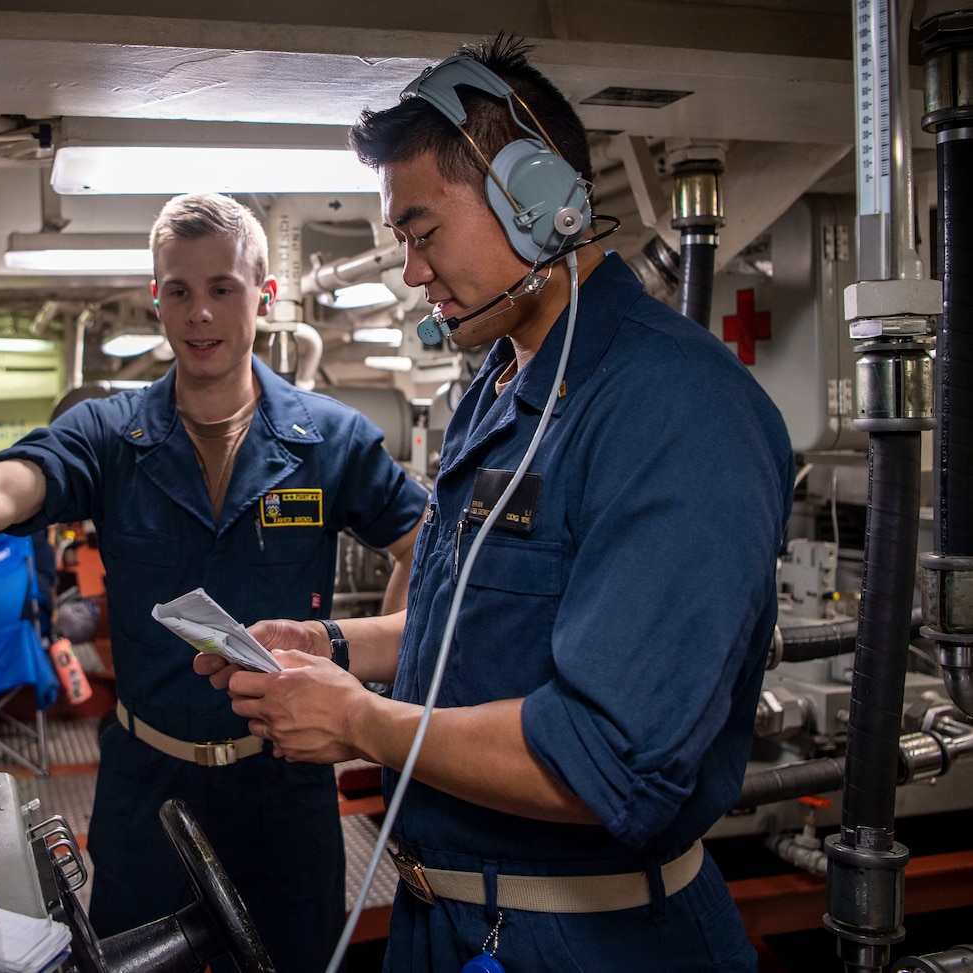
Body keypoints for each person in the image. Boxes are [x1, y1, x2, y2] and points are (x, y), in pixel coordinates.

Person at [197, 37, 795, 972]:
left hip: (587, 940)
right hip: (453, 923)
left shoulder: (676, 410)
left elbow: (603, 757)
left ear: (536, 201)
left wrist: (356, 718)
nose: (412, 271)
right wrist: (340, 647)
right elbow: (474, 607)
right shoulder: (500, 386)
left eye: (424, 231)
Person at [0, 191, 428, 972]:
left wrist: (370, 686)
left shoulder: (331, 440)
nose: (200, 313)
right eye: (178, 290)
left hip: (284, 790)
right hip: (147, 786)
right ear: (156, 297)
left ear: (264, 295)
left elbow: (427, 555)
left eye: (223, 288)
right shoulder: (111, 434)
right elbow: (4, 489)